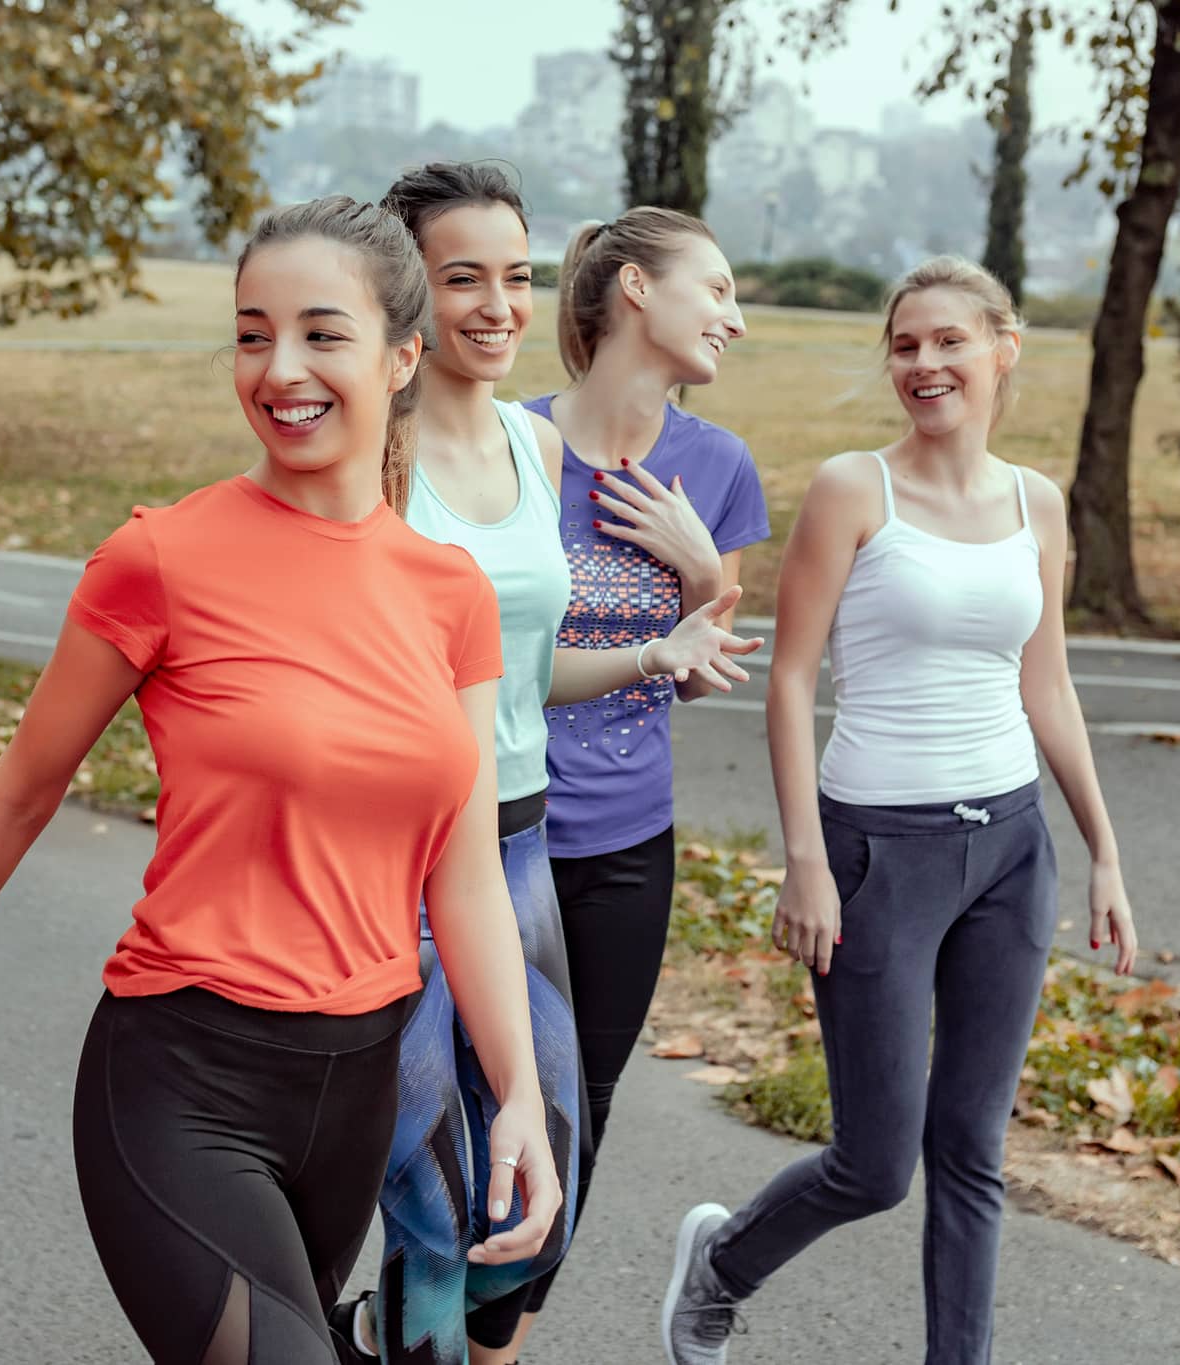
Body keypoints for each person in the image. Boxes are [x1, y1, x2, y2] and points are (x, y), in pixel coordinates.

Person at [0, 195, 565, 1365]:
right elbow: (18, 793)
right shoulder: (160, 558)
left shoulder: (448, 591)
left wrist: (515, 1094)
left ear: (403, 356)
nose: (278, 369)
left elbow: (460, 876)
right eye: (253, 335)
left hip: (353, 1093)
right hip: (181, 1080)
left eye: (319, 333)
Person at [660, 256, 1140, 1365]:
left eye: (948, 341)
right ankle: (722, 1263)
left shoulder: (1036, 504)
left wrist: (1103, 852)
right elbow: (790, 680)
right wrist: (804, 860)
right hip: (877, 852)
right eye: (905, 345)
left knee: (971, 1151)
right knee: (876, 1167)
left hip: (1010, 852)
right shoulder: (852, 490)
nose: (924, 364)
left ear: (1001, 352)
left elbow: (1047, 684)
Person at [333, 170, 760, 1365]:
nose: (494, 303)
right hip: (409, 855)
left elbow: (515, 671)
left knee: (543, 1173)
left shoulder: (534, 448)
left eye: (512, 276)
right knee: (424, 1184)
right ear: (404, 291)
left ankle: (408, 1340)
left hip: (532, 847)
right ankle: (393, 1335)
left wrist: (663, 636)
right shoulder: (372, 455)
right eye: (460, 277)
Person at [513, 207, 773, 1362]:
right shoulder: (512, 444)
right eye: (713, 288)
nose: (733, 317)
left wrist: (697, 565)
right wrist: (655, 641)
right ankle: (409, 1316)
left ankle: (495, 1338)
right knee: (468, 1099)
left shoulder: (715, 468)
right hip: (494, 831)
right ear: (632, 289)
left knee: (581, 1110)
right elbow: (471, 657)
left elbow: (705, 669)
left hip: (626, 845)